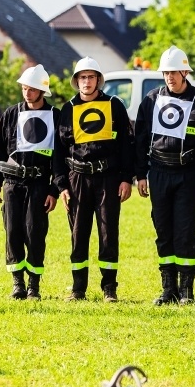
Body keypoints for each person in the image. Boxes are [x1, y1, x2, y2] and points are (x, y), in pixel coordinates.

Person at [135, 45, 195, 306]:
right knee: (163, 230)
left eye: (174, 72)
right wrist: (140, 174)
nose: (169, 77)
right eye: (166, 73)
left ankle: (186, 290)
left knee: (185, 231)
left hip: (188, 174)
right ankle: (168, 288)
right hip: (159, 171)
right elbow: (140, 139)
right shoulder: (151, 99)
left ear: (185, 72)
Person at [55, 57, 135, 302]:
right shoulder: (68, 108)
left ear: (98, 80)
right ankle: (78, 288)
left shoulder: (114, 105)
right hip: (77, 179)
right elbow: (59, 150)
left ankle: (109, 288)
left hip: (108, 178)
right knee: (78, 234)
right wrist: (61, 186)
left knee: (108, 233)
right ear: (76, 81)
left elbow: (127, 144)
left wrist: (126, 178)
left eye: (91, 77)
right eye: (82, 77)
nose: (86, 82)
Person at [0, 65, 62, 300]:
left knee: (35, 232)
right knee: (13, 232)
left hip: (39, 184)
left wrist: (54, 190)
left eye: (31, 89)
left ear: (42, 90)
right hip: (12, 183)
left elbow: (60, 158)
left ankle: (34, 285)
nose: (27, 93)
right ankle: (18, 283)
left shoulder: (55, 116)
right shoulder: (11, 114)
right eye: (24, 88)